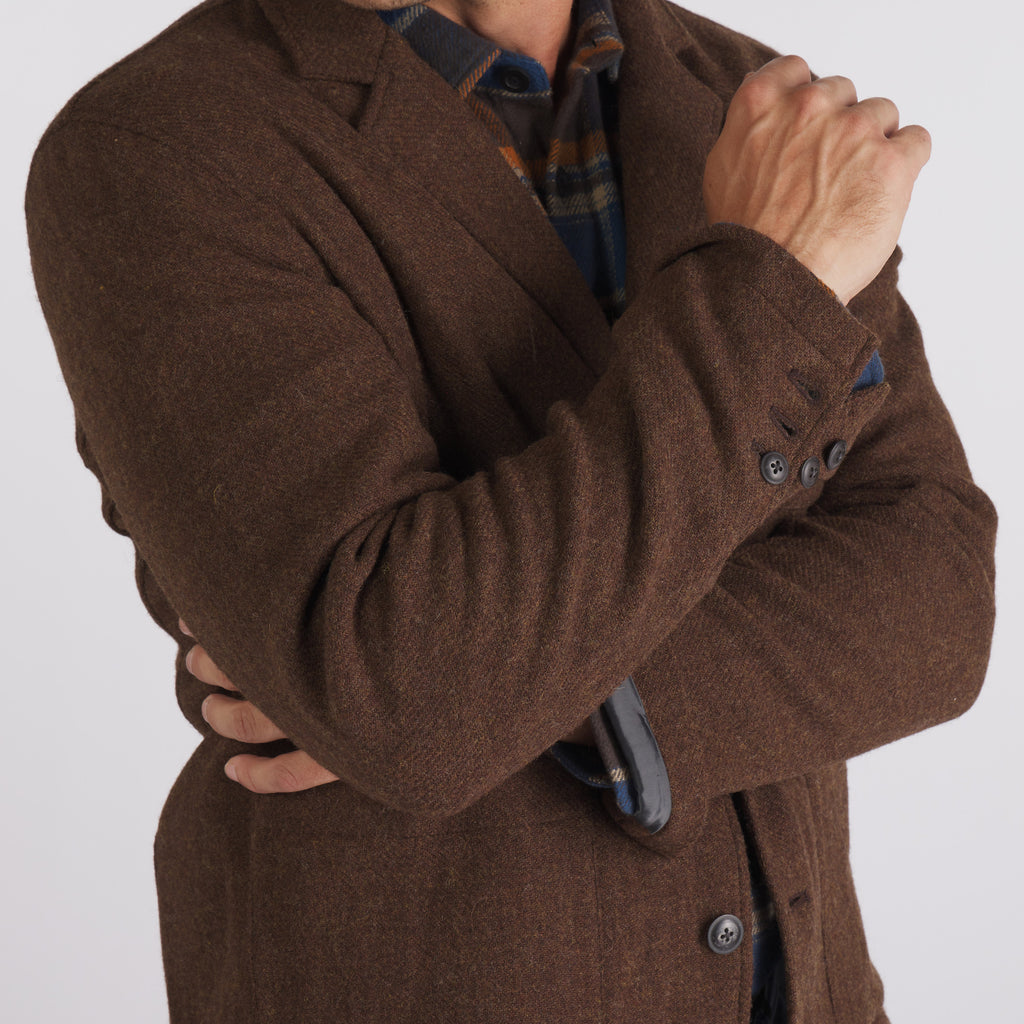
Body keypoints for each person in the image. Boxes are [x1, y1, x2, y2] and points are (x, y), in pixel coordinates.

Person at [25, 0, 996, 1021]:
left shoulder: (752, 100)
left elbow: (937, 599)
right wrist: (766, 292)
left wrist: (491, 688)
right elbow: (405, 690)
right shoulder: (162, 145)